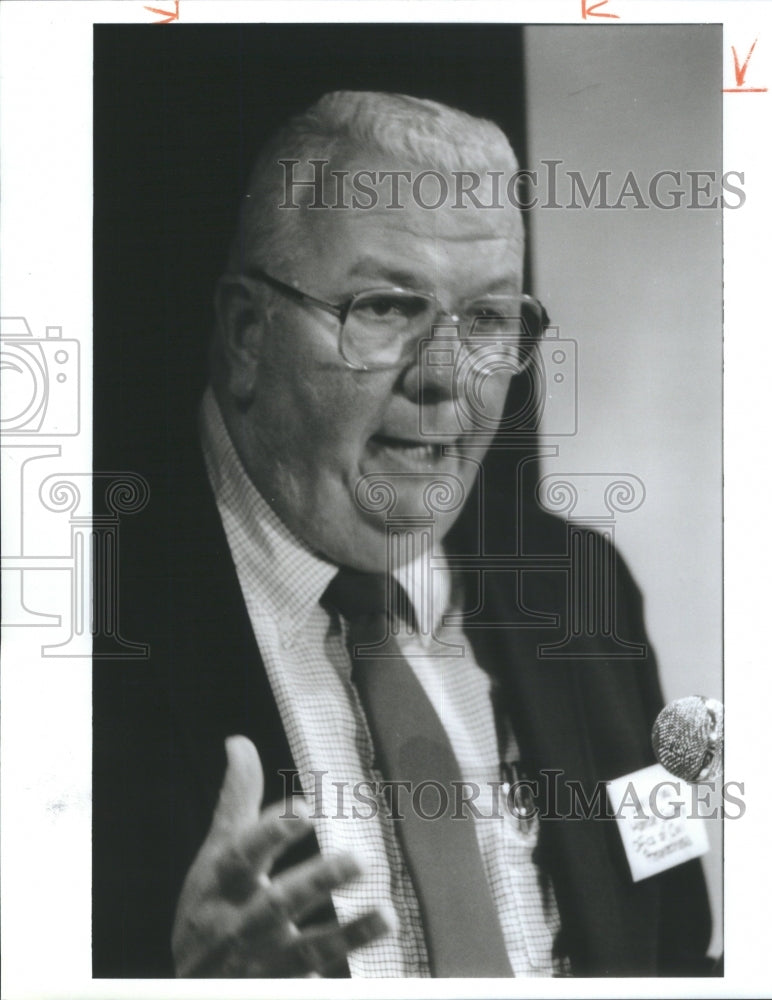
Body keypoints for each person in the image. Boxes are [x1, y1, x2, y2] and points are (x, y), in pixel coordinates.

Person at [93, 91, 713, 978]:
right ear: (244, 334)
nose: (447, 382)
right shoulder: (74, 625)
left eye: (490, 319)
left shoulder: (580, 585)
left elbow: (670, 943)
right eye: (384, 308)